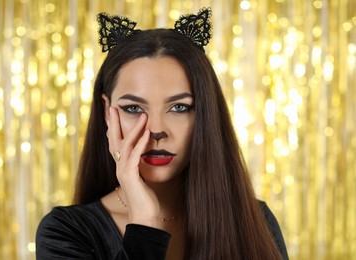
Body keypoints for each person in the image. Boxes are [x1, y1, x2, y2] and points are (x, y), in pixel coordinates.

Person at [36, 8, 289, 260]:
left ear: (205, 114)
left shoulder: (255, 221)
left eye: (179, 107)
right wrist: (144, 224)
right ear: (107, 112)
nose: (156, 130)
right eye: (133, 108)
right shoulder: (66, 233)